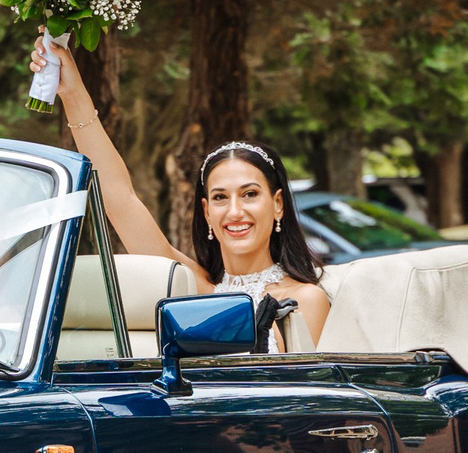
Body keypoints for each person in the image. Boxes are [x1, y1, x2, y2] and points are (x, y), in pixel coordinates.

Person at [34, 34, 330, 347]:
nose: (234, 211)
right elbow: (121, 202)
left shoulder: (306, 300)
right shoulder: (192, 287)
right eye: (220, 198)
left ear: (278, 203)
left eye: (250, 194)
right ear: (206, 212)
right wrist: (72, 94)